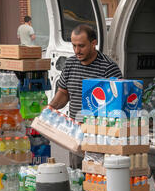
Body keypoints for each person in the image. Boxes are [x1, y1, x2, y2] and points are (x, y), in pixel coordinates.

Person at [49, 24, 123, 168]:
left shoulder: (108, 68)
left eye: (81, 46)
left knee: (98, 180)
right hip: (76, 134)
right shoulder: (70, 64)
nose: (77, 51)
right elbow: (64, 93)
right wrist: (50, 108)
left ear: (93, 43)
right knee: (77, 177)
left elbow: (117, 105)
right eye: (74, 46)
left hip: (100, 137)